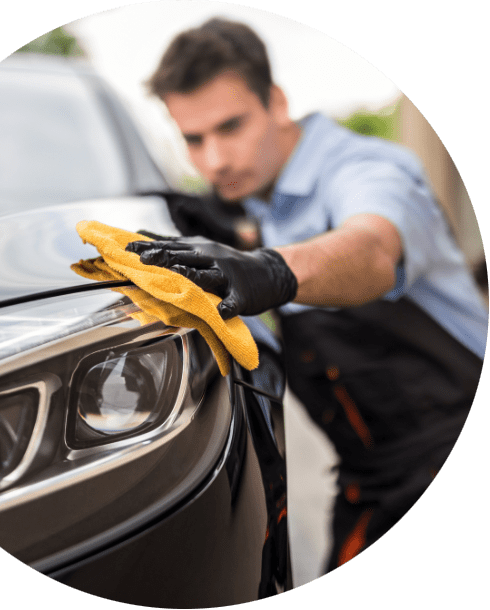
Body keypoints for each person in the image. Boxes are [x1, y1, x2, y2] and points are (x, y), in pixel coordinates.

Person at [125, 18, 488, 572]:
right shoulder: (258, 203)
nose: (215, 160)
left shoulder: (365, 168)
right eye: (193, 140)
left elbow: (370, 248)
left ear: (276, 101)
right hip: (370, 480)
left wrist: (269, 268)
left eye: (231, 126)